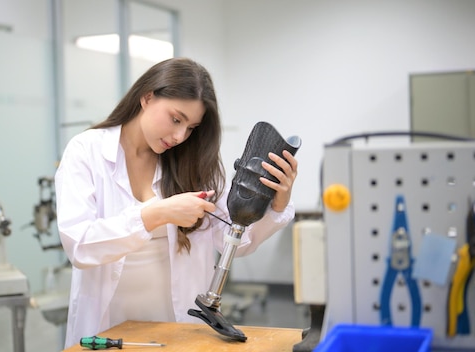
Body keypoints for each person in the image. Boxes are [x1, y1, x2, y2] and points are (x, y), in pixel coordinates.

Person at [54, 57, 298, 348]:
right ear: (147, 97)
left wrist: (277, 204)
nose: (180, 136)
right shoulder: (86, 151)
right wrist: (156, 213)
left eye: (191, 127)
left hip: (176, 328)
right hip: (107, 326)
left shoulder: (193, 162)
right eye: (176, 119)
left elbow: (238, 243)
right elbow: (80, 246)